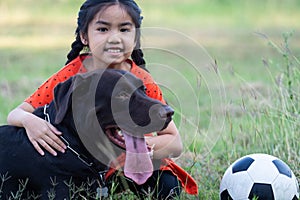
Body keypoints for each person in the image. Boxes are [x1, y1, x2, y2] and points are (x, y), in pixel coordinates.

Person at [7, 0, 198, 199]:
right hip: (85, 164)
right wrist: (31, 122)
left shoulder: (141, 79)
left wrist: (138, 147)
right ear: (84, 36)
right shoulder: (72, 75)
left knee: (166, 186)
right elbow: (16, 114)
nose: (114, 38)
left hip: (131, 161)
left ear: (136, 37)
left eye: (124, 29)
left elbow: (175, 143)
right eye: (103, 29)